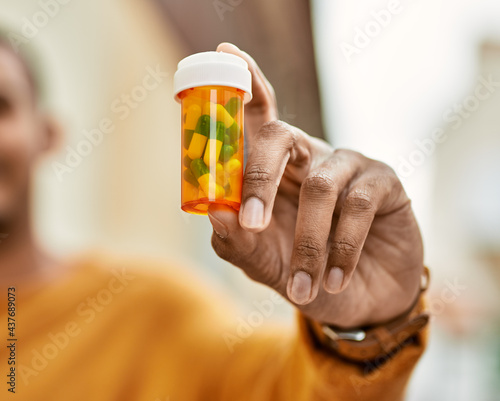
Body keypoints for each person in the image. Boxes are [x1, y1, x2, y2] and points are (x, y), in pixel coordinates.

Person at [0, 29, 429, 400]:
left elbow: (281, 388)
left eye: (2, 106)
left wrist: (369, 330)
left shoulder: (152, 315)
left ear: (48, 134)